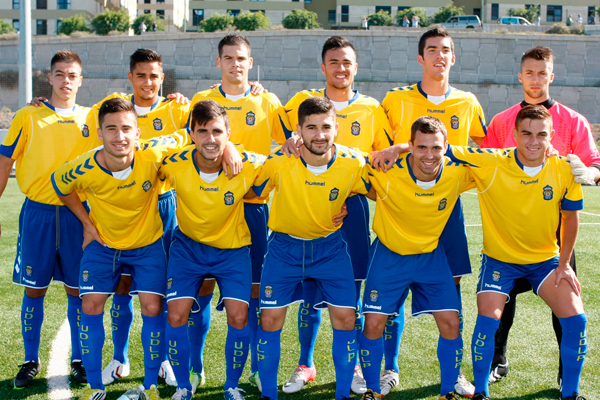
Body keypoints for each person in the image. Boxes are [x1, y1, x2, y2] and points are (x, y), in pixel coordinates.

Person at [371, 27, 487, 396]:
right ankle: (389, 368)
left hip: (446, 210)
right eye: (432, 49)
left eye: (446, 50)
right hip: (403, 205)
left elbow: (487, 150)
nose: (439, 55)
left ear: (454, 58)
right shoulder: (395, 99)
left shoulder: (468, 102)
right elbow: (379, 150)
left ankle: (453, 374)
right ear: (420, 58)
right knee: (393, 295)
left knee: (451, 292)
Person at [51, 98, 192, 400]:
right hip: (104, 246)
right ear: (99, 134)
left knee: (153, 308)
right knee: (90, 306)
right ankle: (94, 386)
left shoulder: (154, 152)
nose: (120, 136)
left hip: (147, 245)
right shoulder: (84, 167)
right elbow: (59, 184)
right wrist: (86, 223)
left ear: (138, 133)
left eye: (127, 128)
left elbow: (192, 132)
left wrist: (230, 147)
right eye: (111, 129)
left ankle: (151, 386)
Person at [446, 105, 588, 400]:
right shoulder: (491, 161)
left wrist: (564, 264)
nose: (533, 141)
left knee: (577, 320)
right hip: (500, 260)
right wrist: (396, 149)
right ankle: (481, 392)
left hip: (545, 261)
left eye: (541, 135)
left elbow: (571, 217)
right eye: (526, 134)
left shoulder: (564, 168)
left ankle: (571, 393)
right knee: (488, 319)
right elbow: (440, 148)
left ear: (552, 137)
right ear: (514, 135)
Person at [480, 46, 600, 387]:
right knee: (501, 300)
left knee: (565, 301)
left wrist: (588, 174)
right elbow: (484, 162)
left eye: (542, 73)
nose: (535, 79)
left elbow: (594, 164)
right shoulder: (503, 121)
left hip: (555, 231)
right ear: (520, 76)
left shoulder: (573, 120)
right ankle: (497, 360)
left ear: (551, 76)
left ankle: (566, 374)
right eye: (529, 73)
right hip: (509, 230)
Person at [281, 35, 393, 396]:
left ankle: (357, 366)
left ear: (355, 68)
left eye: (347, 62)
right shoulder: (303, 102)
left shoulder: (373, 109)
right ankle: (306, 363)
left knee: (352, 293)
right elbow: (284, 143)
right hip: (310, 205)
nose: (341, 68)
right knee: (308, 291)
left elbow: (381, 162)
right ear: (323, 67)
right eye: (334, 62)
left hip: (353, 208)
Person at [186, 33, 292, 393]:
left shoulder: (267, 100)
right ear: (219, 62)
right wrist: (227, 145)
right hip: (208, 207)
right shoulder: (202, 100)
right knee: (198, 291)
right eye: (228, 58)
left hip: (254, 209)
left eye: (241, 58)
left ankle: (250, 373)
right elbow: (191, 143)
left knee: (253, 298)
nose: (235, 64)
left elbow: (292, 144)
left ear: (250, 62)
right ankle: (194, 368)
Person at [251, 97, 369, 400]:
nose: (319, 134)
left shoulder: (352, 162)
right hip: (283, 251)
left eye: (326, 127)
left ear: (337, 128)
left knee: (345, 318)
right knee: (270, 320)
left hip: (330, 250)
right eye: (311, 127)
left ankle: (342, 394)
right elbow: (251, 186)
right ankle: (269, 395)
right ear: (299, 131)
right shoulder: (281, 160)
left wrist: (399, 148)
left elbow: (384, 178)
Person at [0, 50, 101, 389]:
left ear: (81, 80)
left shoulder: (92, 118)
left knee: (78, 290)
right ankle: (30, 359)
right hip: (39, 213)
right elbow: (4, 161)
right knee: (34, 289)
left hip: (79, 215)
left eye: (72, 75)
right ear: (51, 78)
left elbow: (133, 120)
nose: (66, 81)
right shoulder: (29, 115)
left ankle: (78, 360)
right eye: (60, 75)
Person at [359, 116, 474, 400]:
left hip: (430, 257)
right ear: (410, 146)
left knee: (451, 321)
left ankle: (448, 390)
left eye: (436, 148)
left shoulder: (458, 172)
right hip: (389, 256)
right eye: (421, 147)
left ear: (446, 147)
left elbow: (503, 161)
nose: (429, 155)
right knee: (373, 323)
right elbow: (339, 163)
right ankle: (373, 389)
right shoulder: (384, 168)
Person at [163, 100, 264, 400]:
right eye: (202, 131)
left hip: (231, 250)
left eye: (218, 131)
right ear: (191, 134)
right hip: (188, 248)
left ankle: (232, 386)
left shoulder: (249, 162)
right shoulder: (171, 162)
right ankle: (184, 386)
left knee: (238, 317)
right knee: (176, 315)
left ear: (228, 133)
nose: (210, 138)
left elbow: (287, 167)